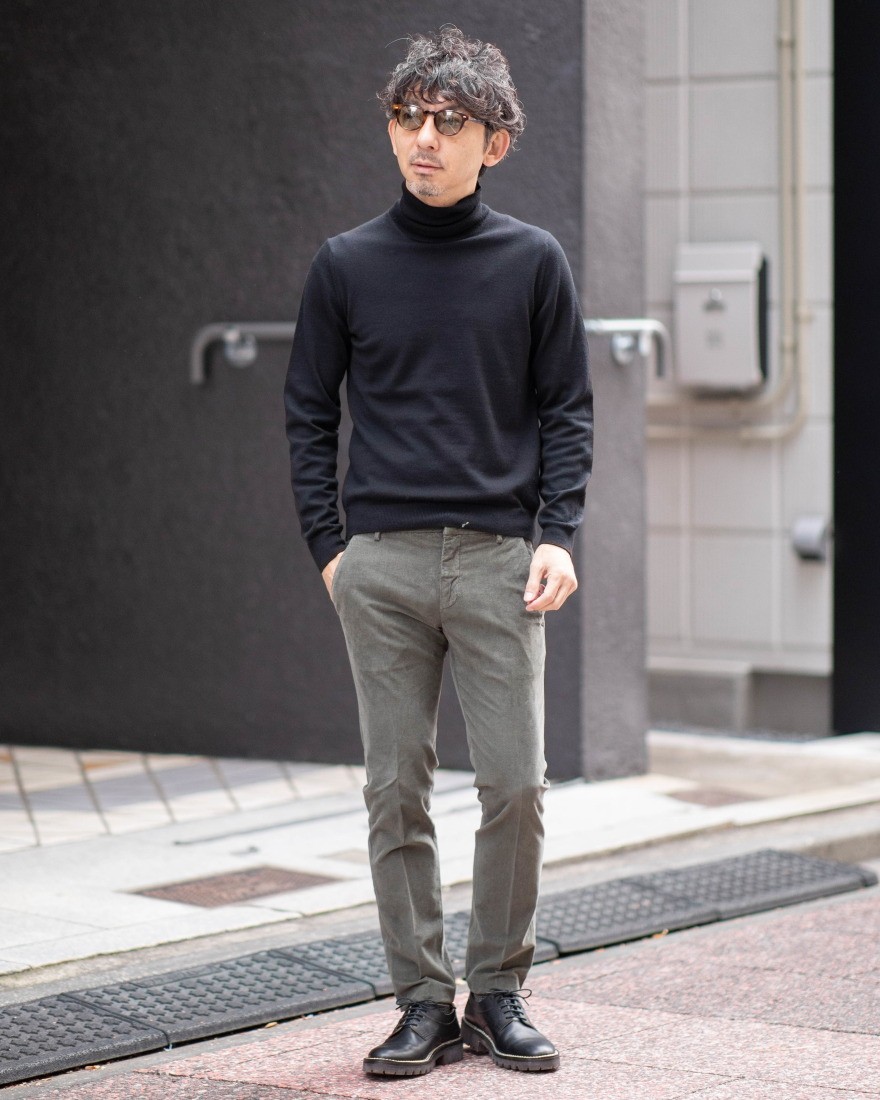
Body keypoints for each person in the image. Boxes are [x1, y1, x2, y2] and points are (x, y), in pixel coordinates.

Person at [284, 25, 592, 1077]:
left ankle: (496, 992)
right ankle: (421, 1000)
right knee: (394, 788)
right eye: (407, 116)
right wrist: (332, 550)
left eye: (449, 121)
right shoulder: (346, 265)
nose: (424, 136)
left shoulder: (533, 261)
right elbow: (307, 412)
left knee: (515, 784)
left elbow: (566, 408)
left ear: (493, 142)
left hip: (502, 560)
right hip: (381, 564)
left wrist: (558, 532)